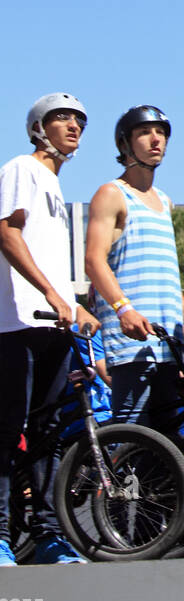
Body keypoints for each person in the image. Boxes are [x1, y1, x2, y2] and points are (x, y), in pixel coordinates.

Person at [0, 93, 98, 565]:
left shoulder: (57, 190)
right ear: (39, 128)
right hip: (15, 323)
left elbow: (51, 264)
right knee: (6, 430)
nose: (73, 125)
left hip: (53, 326)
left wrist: (75, 305)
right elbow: (7, 233)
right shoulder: (23, 168)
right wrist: (53, 297)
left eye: (79, 119)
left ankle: (46, 535)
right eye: (62, 118)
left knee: (48, 434)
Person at [85, 106, 184, 429]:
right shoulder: (112, 194)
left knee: (174, 450)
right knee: (132, 444)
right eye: (145, 132)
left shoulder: (164, 202)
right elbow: (94, 261)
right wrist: (124, 310)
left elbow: (167, 274)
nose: (156, 140)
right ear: (124, 144)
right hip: (132, 345)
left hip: (169, 344)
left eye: (162, 133)